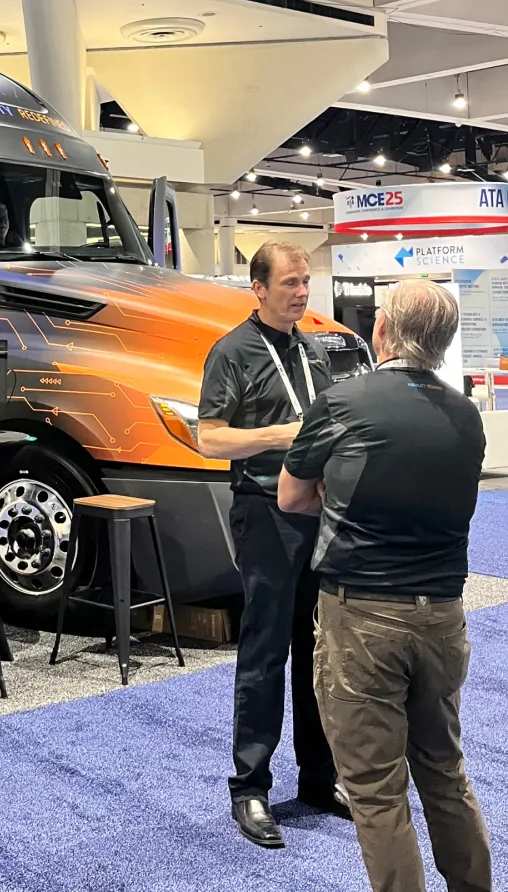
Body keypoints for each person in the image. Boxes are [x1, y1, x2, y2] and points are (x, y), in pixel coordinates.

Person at [279, 279, 490, 892]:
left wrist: (341, 495)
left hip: (363, 616)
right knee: (445, 772)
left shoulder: (344, 402)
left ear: (381, 331)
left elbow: (292, 495)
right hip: (444, 616)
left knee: (375, 791)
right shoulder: (467, 417)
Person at [197, 240, 344, 849]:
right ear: (258, 288)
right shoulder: (230, 353)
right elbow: (208, 440)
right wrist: (281, 435)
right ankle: (250, 787)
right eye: (290, 284)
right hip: (264, 513)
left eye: (306, 282)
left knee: (320, 649)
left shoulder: (313, 351)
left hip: (318, 511)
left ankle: (319, 778)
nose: (302, 293)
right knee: (265, 651)